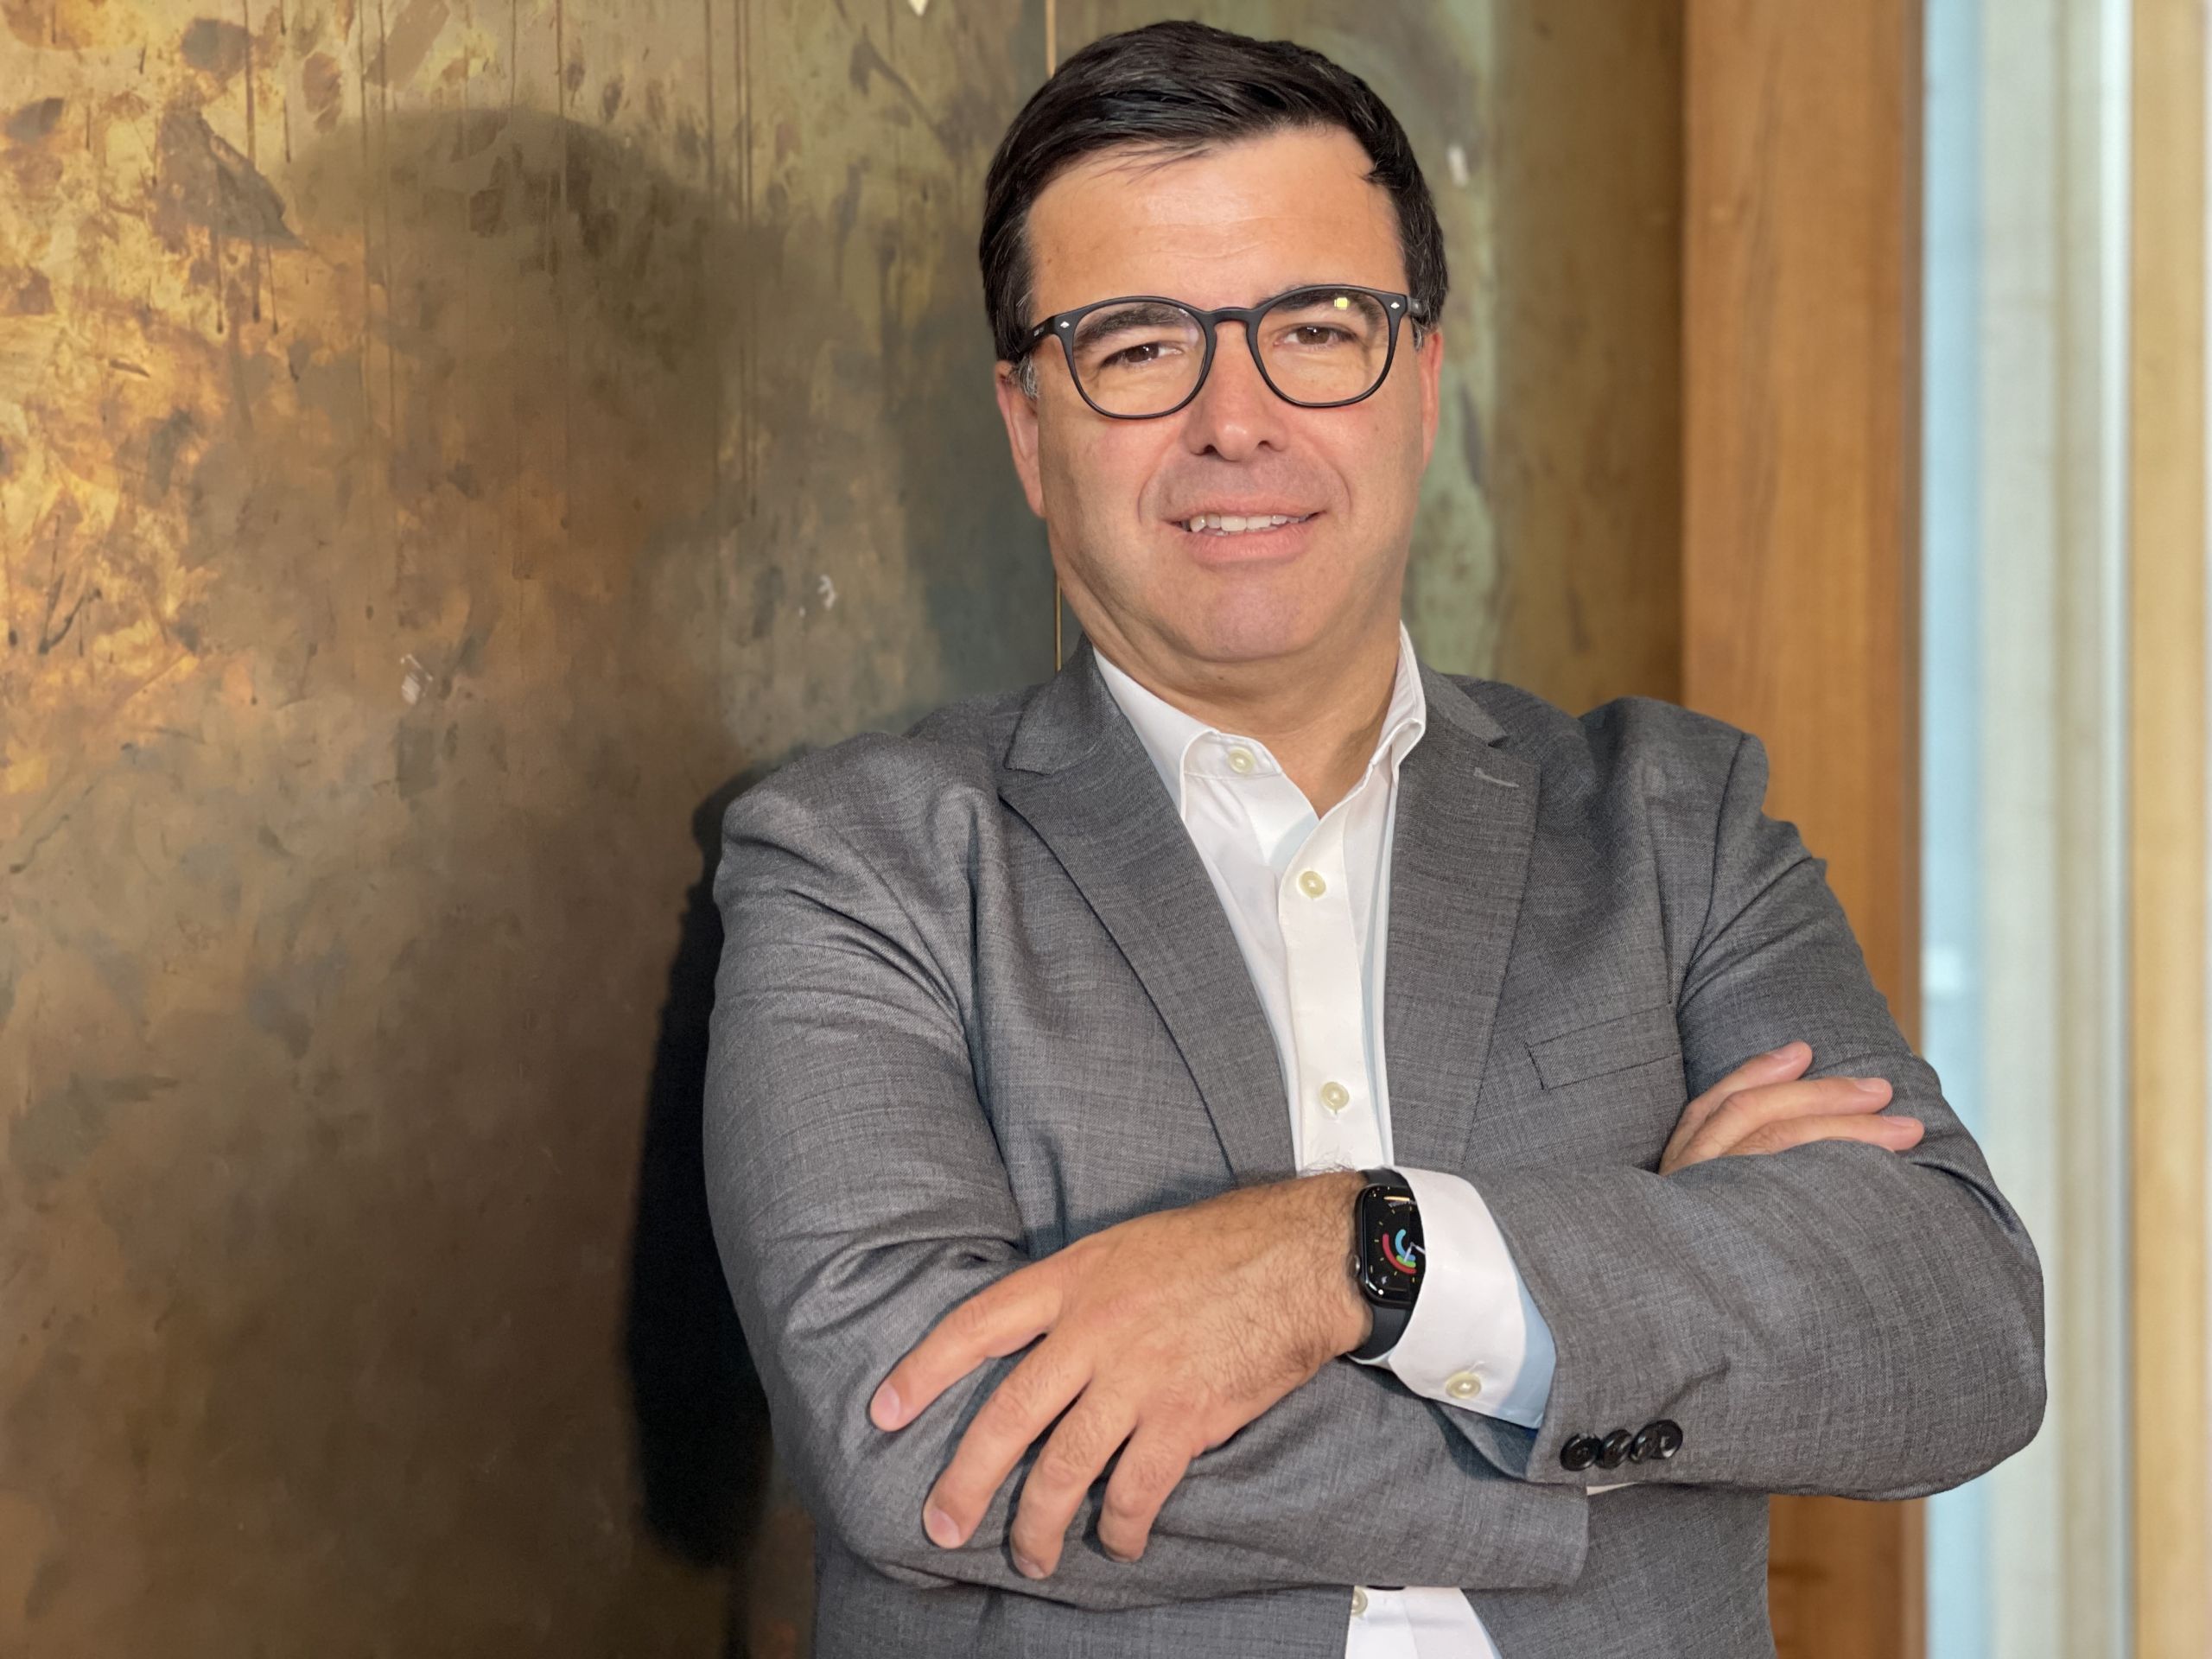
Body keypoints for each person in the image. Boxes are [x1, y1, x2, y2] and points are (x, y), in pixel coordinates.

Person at [702, 21, 2044, 1658]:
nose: (1236, 420)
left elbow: (1953, 1334)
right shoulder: (864, 866)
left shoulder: (1676, 828)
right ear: (1028, 425)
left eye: (1314, 330)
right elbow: (918, 1447)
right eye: (1135, 346)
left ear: (1418, 383)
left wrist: (1357, 1259)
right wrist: (1618, 1358)